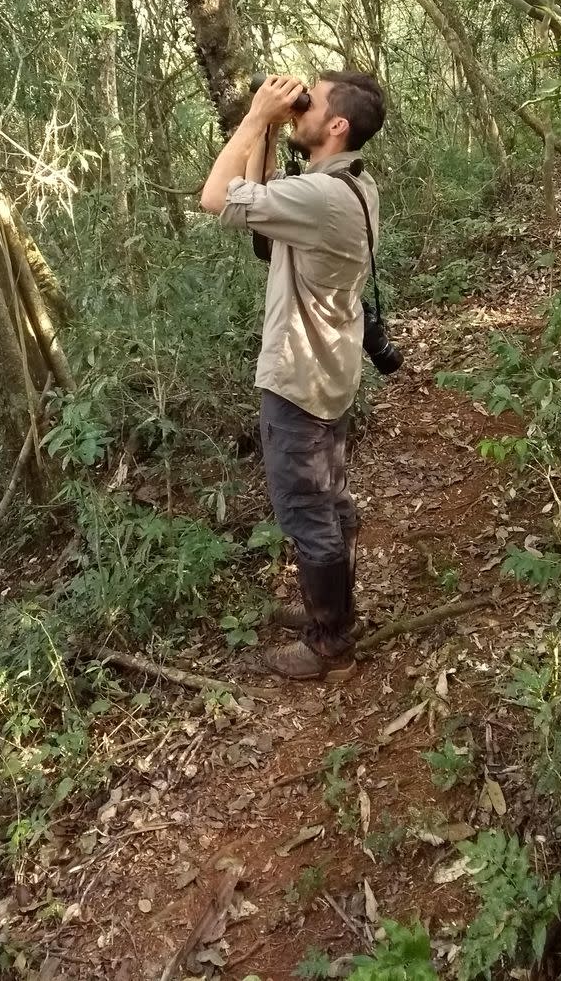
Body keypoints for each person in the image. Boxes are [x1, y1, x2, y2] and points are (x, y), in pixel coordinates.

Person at [200, 72, 386, 681]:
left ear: (336, 126)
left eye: (314, 100)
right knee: (329, 503)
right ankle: (332, 606)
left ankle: (331, 641)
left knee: (306, 511)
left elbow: (218, 199)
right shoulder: (350, 185)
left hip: (299, 381)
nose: (301, 101)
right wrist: (275, 131)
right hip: (328, 373)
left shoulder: (322, 197)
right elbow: (260, 217)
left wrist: (255, 116)